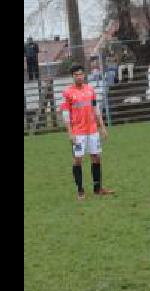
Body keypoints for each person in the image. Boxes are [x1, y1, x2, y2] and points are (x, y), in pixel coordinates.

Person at [61, 64, 114, 199]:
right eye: (76, 75)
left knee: (96, 157)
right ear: (72, 76)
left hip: (92, 130)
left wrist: (102, 127)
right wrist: (70, 133)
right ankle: (80, 190)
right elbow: (66, 114)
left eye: (81, 74)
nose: (79, 77)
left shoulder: (91, 90)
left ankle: (98, 188)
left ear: (84, 75)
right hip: (78, 132)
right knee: (77, 160)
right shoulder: (67, 93)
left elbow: (96, 110)